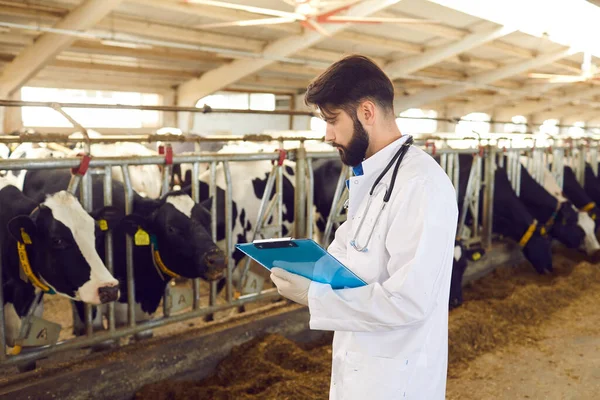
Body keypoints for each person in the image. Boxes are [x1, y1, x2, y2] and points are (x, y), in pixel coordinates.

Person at [269, 54, 458, 399]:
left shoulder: (421, 184)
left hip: (398, 381)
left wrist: (314, 296)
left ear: (367, 113)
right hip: (361, 369)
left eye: (332, 120)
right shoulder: (372, 178)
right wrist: (305, 265)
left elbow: (408, 301)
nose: (327, 135)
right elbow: (349, 260)